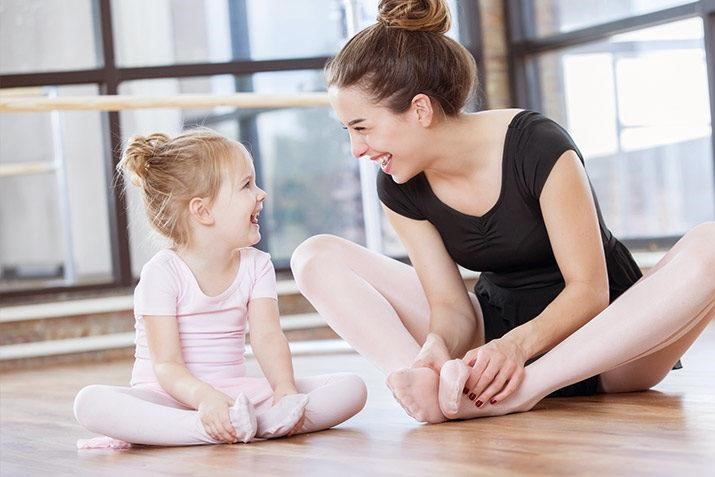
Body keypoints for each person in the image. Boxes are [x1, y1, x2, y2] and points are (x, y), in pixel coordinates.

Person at [290, 0, 715, 424]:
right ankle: (430, 386)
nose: (356, 149)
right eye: (348, 131)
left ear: (420, 109)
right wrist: (437, 344)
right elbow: (451, 306)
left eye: (362, 128)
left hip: (605, 345)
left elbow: (589, 291)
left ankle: (525, 389)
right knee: (315, 256)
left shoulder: (536, 145)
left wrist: (516, 348)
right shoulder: (399, 184)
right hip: (495, 333)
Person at [73, 129, 367, 448]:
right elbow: (166, 365)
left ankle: (254, 423)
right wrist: (206, 400)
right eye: (246, 185)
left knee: (351, 387)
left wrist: (284, 390)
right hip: (167, 396)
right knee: (89, 402)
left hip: (236, 394)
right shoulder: (162, 273)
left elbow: (268, 337)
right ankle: (206, 428)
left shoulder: (257, 265)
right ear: (202, 211)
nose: (261, 193)